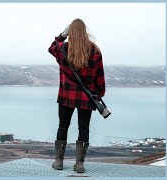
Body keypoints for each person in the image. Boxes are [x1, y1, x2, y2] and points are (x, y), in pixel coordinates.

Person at [48, 19, 105, 173]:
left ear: (70, 33)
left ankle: (59, 161)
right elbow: (99, 76)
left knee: (63, 125)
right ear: (85, 31)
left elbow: (51, 47)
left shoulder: (63, 48)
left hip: (66, 95)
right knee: (84, 127)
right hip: (87, 97)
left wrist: (61, 35)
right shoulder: (94, 51)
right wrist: (98, 95)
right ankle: (79, 164)